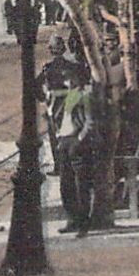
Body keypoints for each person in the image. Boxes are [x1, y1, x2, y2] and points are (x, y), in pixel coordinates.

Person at [49, 64, 96, 235]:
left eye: (71, 77)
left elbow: (89, 122)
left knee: (80, 185)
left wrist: (79, 140)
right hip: (64, 141)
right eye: (67, 78)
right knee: (65, 185)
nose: (68, 81)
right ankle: (72, 219)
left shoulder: (85, 96)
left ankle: (83, 222)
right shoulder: (67, 96)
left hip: (76, 142)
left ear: (78, 78)